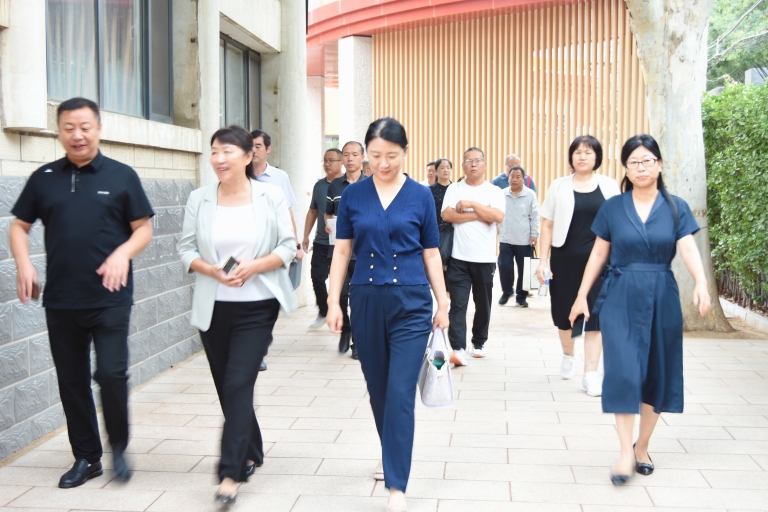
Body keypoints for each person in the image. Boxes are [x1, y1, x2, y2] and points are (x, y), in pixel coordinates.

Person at [9, 98, 154, 487]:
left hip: (110, 297)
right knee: (71, 381)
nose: (78, 135)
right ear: (58, 132)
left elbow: (143, 228)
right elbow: (19, 226)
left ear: (99, 129)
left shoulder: (122, 175)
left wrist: (122, 253)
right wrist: (24, 263)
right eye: (69, 127)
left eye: (85, 127)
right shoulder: (44, 178)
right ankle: (87, 458)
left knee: (111, 373)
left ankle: (118, 447)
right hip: (61, 299)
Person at [569, 134, 711, 485]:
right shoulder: (613, 208)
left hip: (662, 294)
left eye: (647, 160)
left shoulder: (675, 207)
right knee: (623, 371)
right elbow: (599, 253)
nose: (641, 167)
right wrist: (582, 295)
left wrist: (702, 283)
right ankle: (623, 452)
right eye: (634, 162)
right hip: (620, 295)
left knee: (656, 375)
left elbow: (688, 248)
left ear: (659, 164)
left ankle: (642, 446)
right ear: (626, 169)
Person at [327, 117, 448, 512]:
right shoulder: (353, 195)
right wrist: (333, 301)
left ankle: (397, 486)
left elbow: (431, 252)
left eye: (391, 155)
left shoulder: (420, 196)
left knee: (399, 392)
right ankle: (389, 447)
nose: (383, 163)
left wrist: (443, 302)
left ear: (405, 152)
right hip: (365, 300)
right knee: (378, 389)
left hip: (412, 303)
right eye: (375, 155)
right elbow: (342, 250)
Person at [178, 126, 297, 503]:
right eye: (214, 151)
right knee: (228, 386)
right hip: (213, 306)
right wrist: (211, 270)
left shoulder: (270, 195)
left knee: (237, 382)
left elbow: (288, 246)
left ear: (249, 156)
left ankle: (230, 473)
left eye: (228, 151)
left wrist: (255, 266)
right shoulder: (199, 199)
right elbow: (185, 249)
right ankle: (252, 447)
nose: (219, 158)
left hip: (258, 306)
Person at [536, 135, 620, 397]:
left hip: (601, 263)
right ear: (571, 157)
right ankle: (568, 353)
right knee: (565, 317)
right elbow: (547, 225)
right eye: (578, 152)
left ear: (597, 157)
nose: (582, 157)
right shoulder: (559, 186)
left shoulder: (609, 186)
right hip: (565, 261)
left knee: (596, 317)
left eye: (588, 152)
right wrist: (543, 260)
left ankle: (590, 375)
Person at [442, 148, 505, 365]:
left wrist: (471, 205)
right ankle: (458, 348)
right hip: (459, 258)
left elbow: (497, 216)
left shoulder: (494, 191)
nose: (473, 164)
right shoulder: (454, 188)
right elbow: (447, 215)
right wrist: (480, 215)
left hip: (485, 259)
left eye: (477, 160)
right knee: (458, 304)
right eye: (469, 161)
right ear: (463, 166)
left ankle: (479, 343)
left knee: (483, 305)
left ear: (485, 164)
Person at [250, 129, 301, 371]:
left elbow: (288, 213)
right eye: (250, 146)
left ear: (268, 149)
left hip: (273, 251)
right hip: (247, 248)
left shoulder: (279, 177)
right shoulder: (239, 174)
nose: (253, 151)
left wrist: (296, 245)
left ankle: (259, 347)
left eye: (258, 146)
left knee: (268, 301)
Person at [325, 141, 368, 359]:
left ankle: (357, 343)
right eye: (346, 154)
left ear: (362, 158)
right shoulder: (334, 185)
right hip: (339, 251)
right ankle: (346, 328)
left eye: (355, 154)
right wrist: (328, 223)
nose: (350, 158)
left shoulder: (371, 185)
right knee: (340, 295)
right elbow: (328, 212)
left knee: (359, 299)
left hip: (362, 253)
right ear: (342, 159)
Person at [302, 149, 343, 329]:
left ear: (341, 162)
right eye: (325, 160)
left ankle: (342, 315)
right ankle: (323, 310)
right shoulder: (319, 186)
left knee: (342, 284)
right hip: (321, 242)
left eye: (331, 160)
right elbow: (313, 212)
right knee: (317, 277)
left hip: (342, 244)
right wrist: (305, 236)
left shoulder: (348, 185)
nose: (327, 164)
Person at [498, 165, 540, 307]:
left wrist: (534, 234)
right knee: (504, 266)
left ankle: (521, 296)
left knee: (524, 270)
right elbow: (496, 212)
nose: (514, 179)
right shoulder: (502, 194)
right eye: (512, 176)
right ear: (508, 178)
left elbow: (535, 216)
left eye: (518, 177)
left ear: (523, 179)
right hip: (505, 238)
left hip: (524, 239)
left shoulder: (530, 195)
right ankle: (507, 291)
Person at [429, 158, 453, 275]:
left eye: (448, 168)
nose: (445, 170)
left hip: (455, 230)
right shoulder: (430, 190)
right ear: (436, 171)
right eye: (442, 168)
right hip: (436, 230)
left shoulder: (456, 188)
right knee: (437, 263)